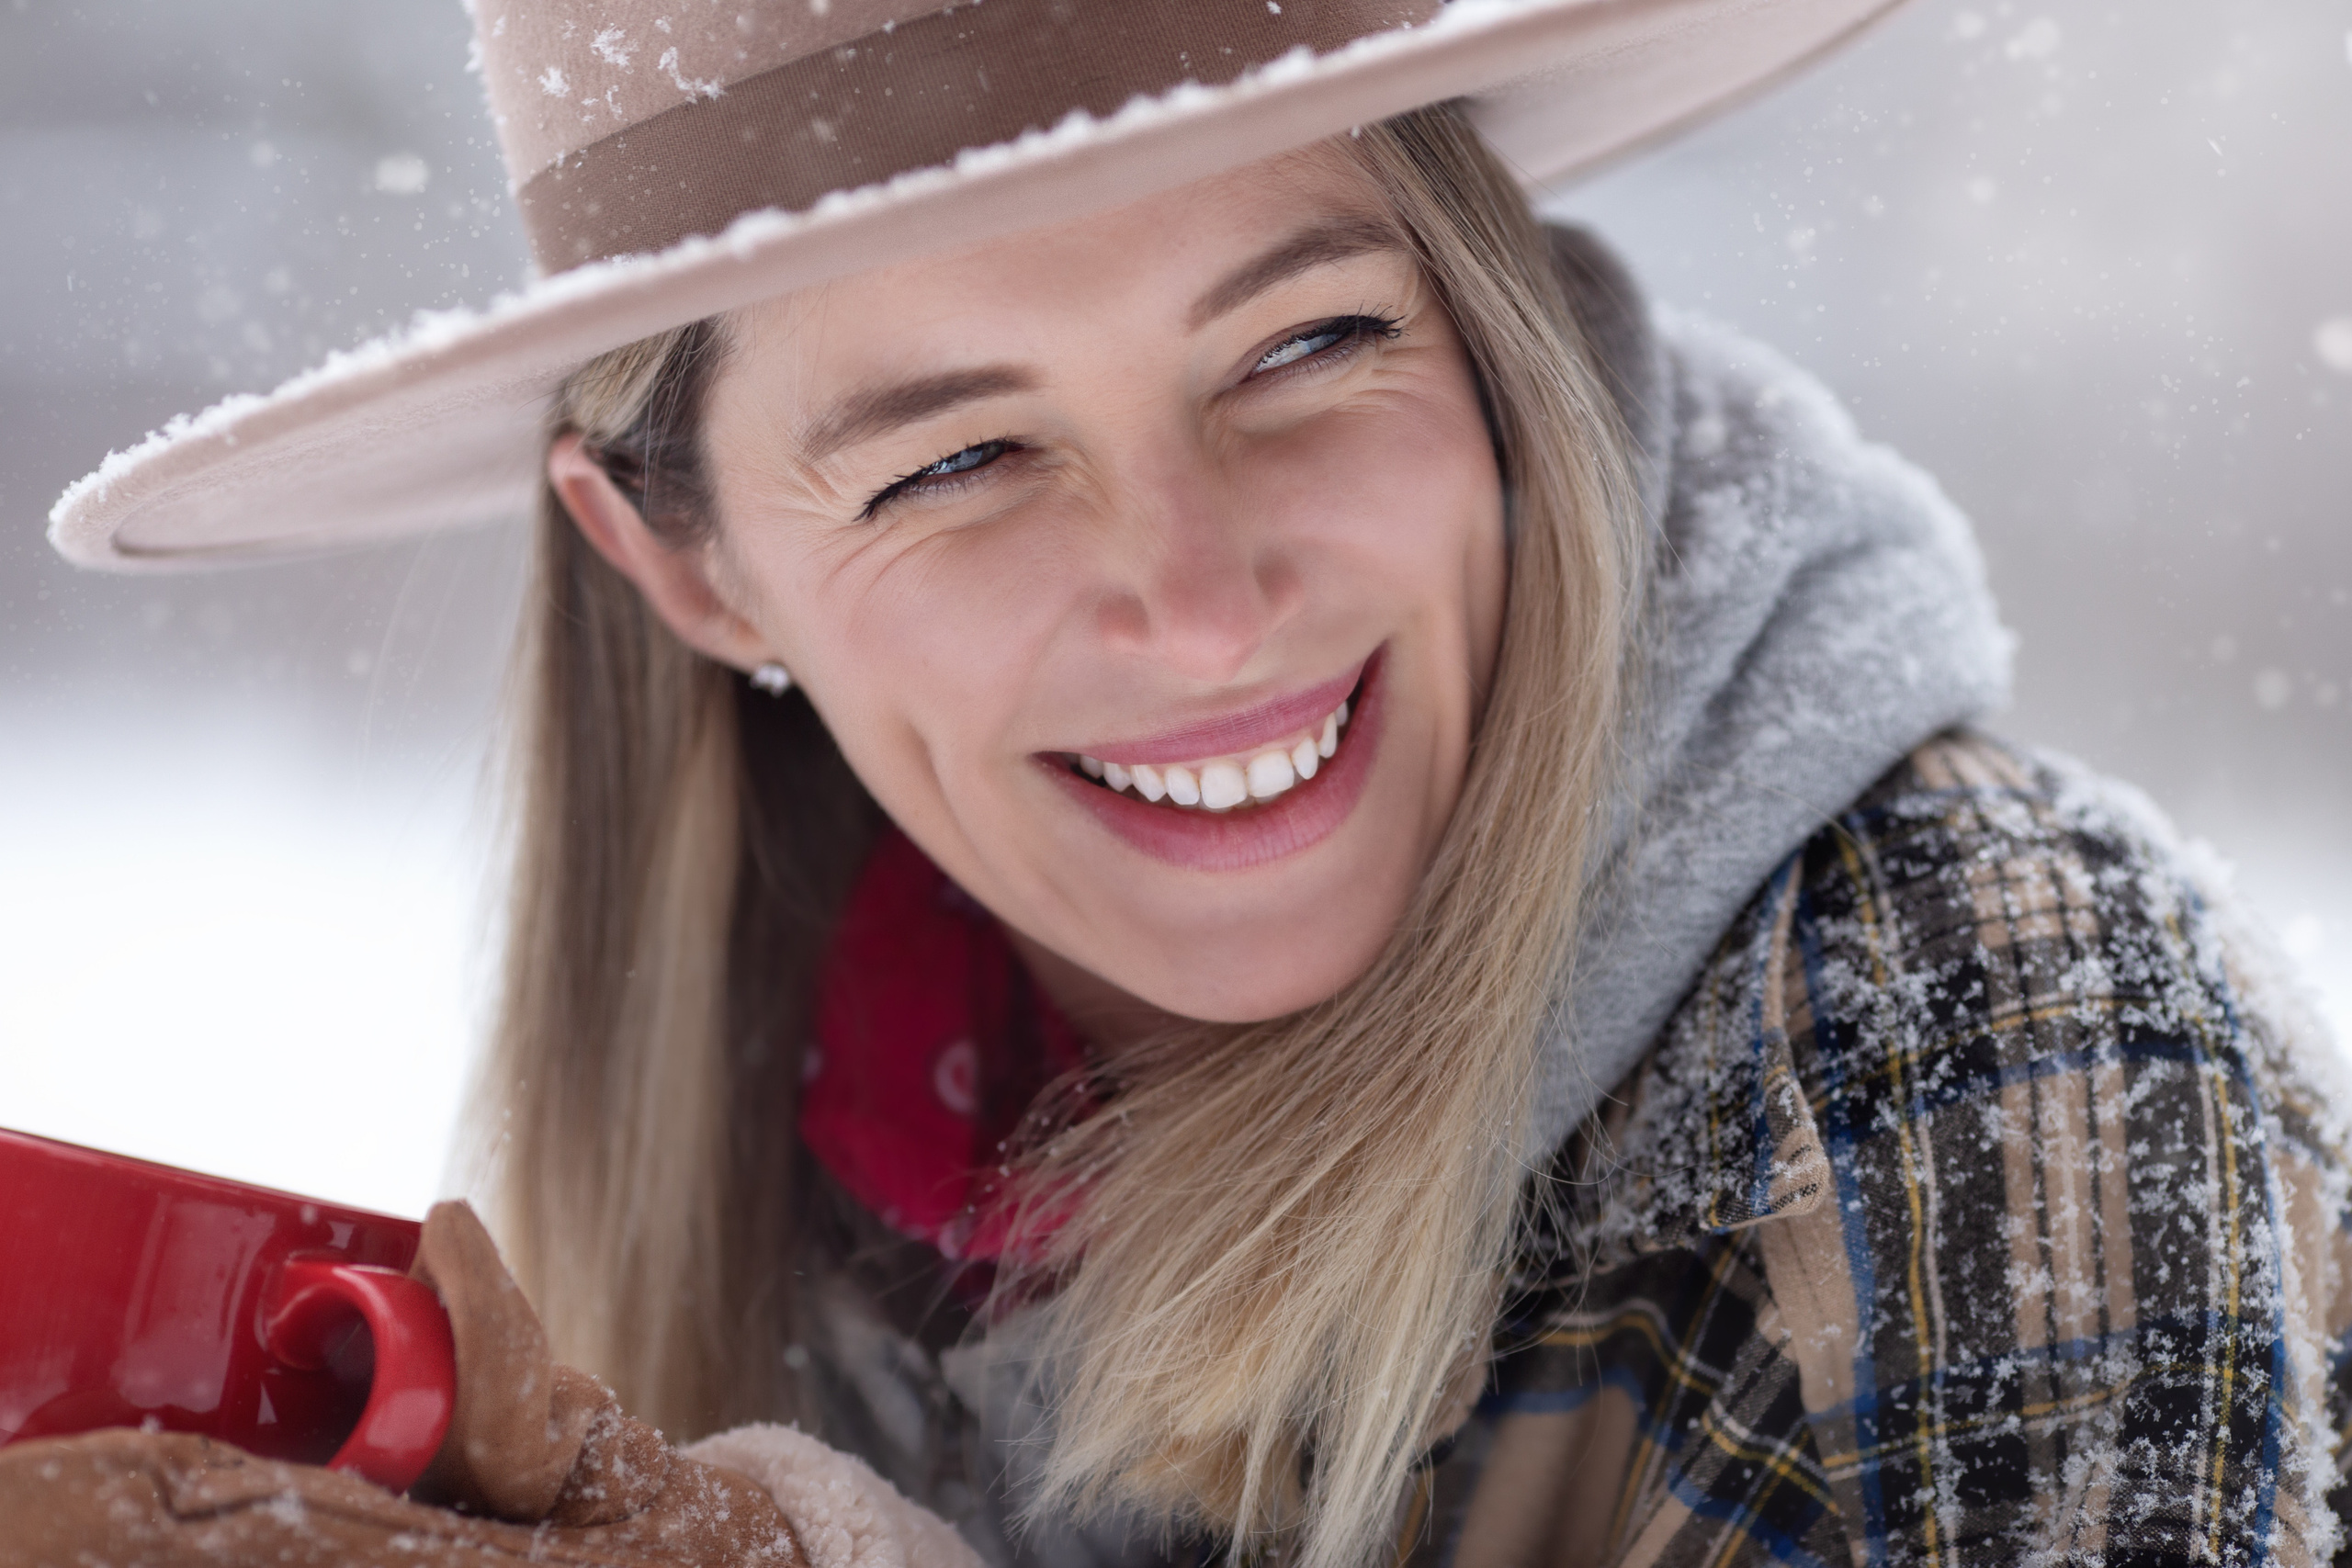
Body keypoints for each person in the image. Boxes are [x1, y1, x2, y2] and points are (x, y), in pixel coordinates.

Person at [15, 1, 2349, 1565]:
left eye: (1305, 340)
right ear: (686, 566)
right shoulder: (794, 1134)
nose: (1202, 601)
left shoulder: (1979, 1055)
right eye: (955, 458)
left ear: (1487, 326)